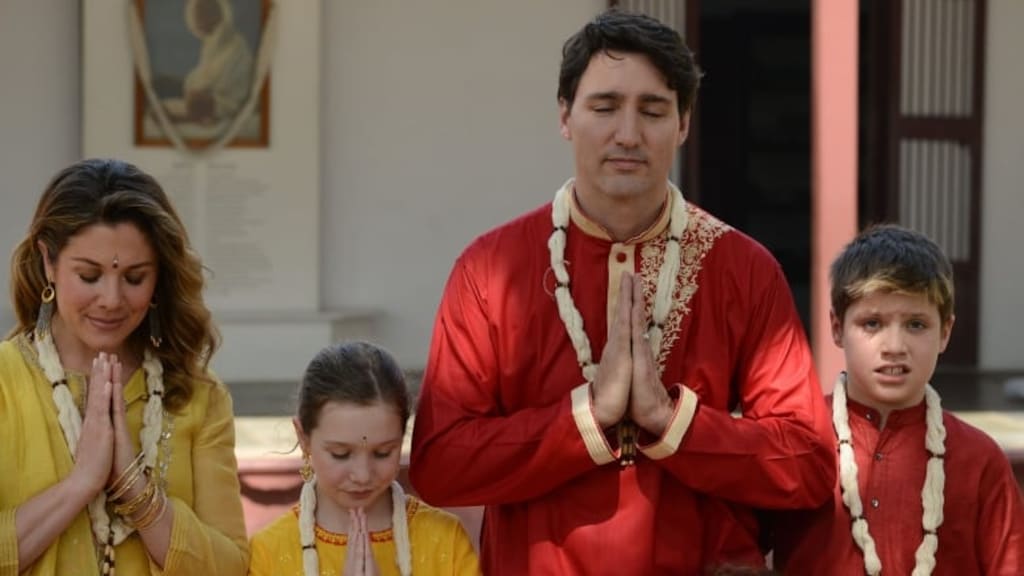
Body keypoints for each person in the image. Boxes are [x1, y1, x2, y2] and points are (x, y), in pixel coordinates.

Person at [409, 9, 836, 574]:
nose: (628, 134)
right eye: (604, 107)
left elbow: (806, 462)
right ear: (565, 116)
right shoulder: (490, 270)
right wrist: (587, 415)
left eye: (653, 110)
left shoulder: (743, 270)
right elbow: (440, 463)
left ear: (684, 123)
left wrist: (669, 418)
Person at [0, 158, 248, 575]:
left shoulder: (196, 396)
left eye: (134, 278)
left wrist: (135, 489)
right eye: (89, 275)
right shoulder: (5, 384)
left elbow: (231, 567)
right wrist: (80, 485)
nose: (112, 300)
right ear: (48, 261)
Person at [770, 225, 1024, 574]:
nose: (894, 347)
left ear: (945, 331)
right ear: (837, 328)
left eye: (916, 325)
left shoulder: (980, 460)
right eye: (872, 323)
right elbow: (738, 553)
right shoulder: (796, 441)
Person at [248, 341, 480, 576]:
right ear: (304, 438)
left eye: (383, 452)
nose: (363, 475)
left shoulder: (445, 541)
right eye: (341, 454)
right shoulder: (267, 553)